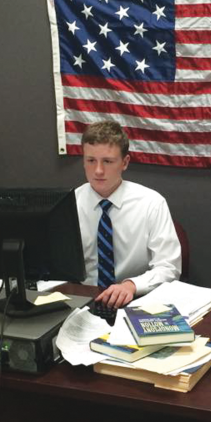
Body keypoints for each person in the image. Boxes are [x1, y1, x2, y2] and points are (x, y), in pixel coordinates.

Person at [76, 120, 181, 308]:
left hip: (135, 300)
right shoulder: (70, 203)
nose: (98, 170)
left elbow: (169, 268)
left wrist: (132, 285)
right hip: (83, 300)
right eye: (91, 161)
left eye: (107, 161)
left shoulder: (151, 203)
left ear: (125, 162)